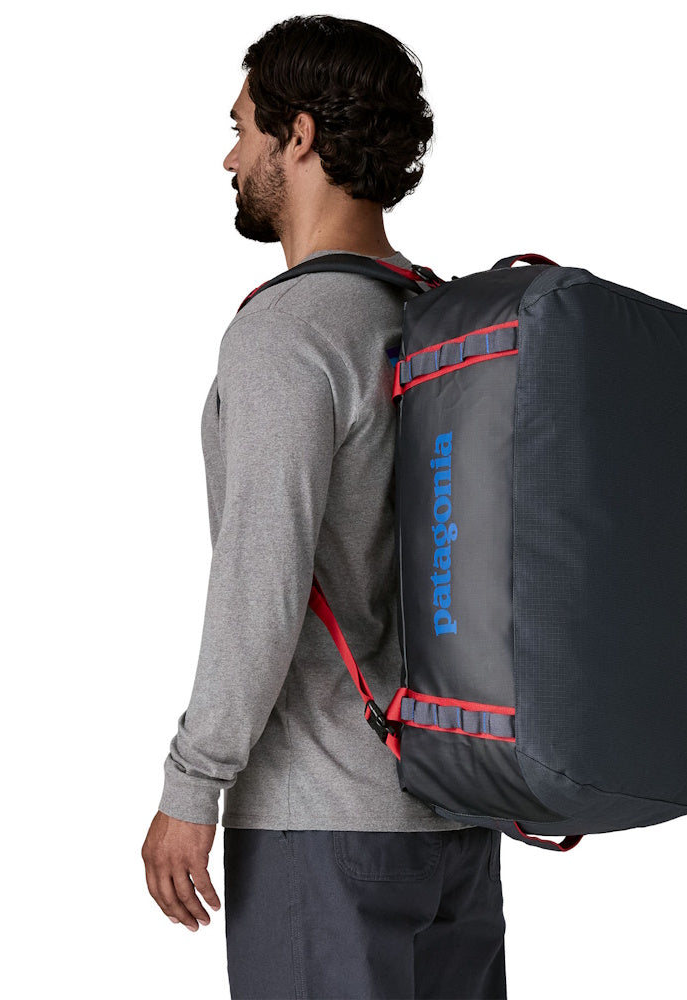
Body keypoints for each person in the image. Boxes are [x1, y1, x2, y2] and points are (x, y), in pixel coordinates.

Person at [141, 16, 507, 1000]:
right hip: (456, 818)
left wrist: (191, 783)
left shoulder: (289, 332)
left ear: (297, 136)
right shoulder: (437, 320)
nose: (230, 158)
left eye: (241, 129)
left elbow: (259, 580)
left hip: (322, 823)